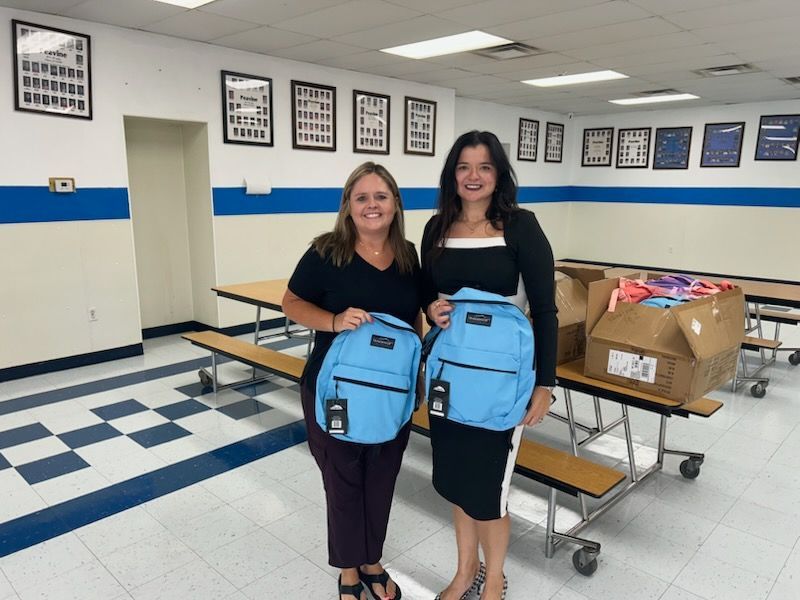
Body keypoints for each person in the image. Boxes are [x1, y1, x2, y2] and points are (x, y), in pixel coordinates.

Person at [421, 131, 557, 600]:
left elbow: (545, 309)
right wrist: (430, 309)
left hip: (504, 383)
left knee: (489, 489)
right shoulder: (436, 228)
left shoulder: (521, 226)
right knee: (458, 481)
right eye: (463, 167)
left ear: (499, 174)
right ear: (451, 174)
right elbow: (427, 293)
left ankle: (494, 579)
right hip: (450, 378)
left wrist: (546, 383)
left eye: (484, 167)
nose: (473, 176)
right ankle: (465, 573)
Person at [282, 162, 422, 600]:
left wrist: (416, 373)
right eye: (361, 197)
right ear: (347, 206)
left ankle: (372, 560)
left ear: (396, 204)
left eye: (381, 196)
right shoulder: (326, 253)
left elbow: (413, 319)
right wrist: (334, 320)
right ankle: (348, 570)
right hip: (333, 391)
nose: (372, 205)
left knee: (382, 477)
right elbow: (290, 303)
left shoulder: (408, 256)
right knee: (343, 482)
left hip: (390, 393)